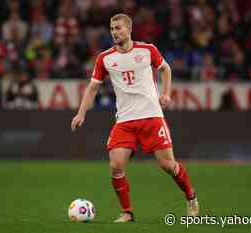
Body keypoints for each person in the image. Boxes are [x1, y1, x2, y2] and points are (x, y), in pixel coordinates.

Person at [71, 14, 199, 222]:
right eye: (112, 28)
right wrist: (81, 113)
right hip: (125, 121)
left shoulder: (148, 50)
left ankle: (191, 196)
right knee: (116, 166)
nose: (114, 32)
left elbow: (165, 69)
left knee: (168, 165)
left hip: (151, 116)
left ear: (129, 30)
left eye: (118, 28)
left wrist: (166, 93)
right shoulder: (105, 58)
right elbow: (93, 87)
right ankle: (127, 212)